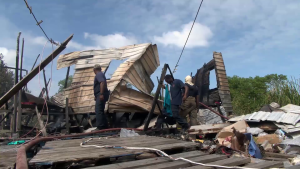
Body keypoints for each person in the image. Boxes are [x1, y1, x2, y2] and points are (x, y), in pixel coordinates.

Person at [93, 64, 109, 130]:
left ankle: (100, 127)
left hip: (101, 93)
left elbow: (102, 83)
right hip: (99, 94)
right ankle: (105, 126)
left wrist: (101, 94)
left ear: (94, 70)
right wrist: (96, 95)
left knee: (98, 110)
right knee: (101, 110)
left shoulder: (99, 74)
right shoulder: (101, 74)